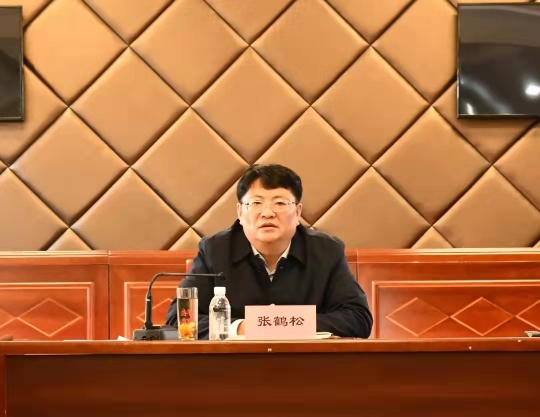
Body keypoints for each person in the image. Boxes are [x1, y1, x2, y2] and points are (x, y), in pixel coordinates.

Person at [165, 164, 373, 339]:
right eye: (256, 203)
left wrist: (278, 326)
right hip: (232, 367)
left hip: (306, 365)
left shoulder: (326, 251)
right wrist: (242, 327)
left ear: (298, 212)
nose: (267, 213)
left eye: (280, 203)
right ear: (240, 212)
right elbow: (180, 319)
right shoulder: (215, 250)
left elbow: (358, 318)